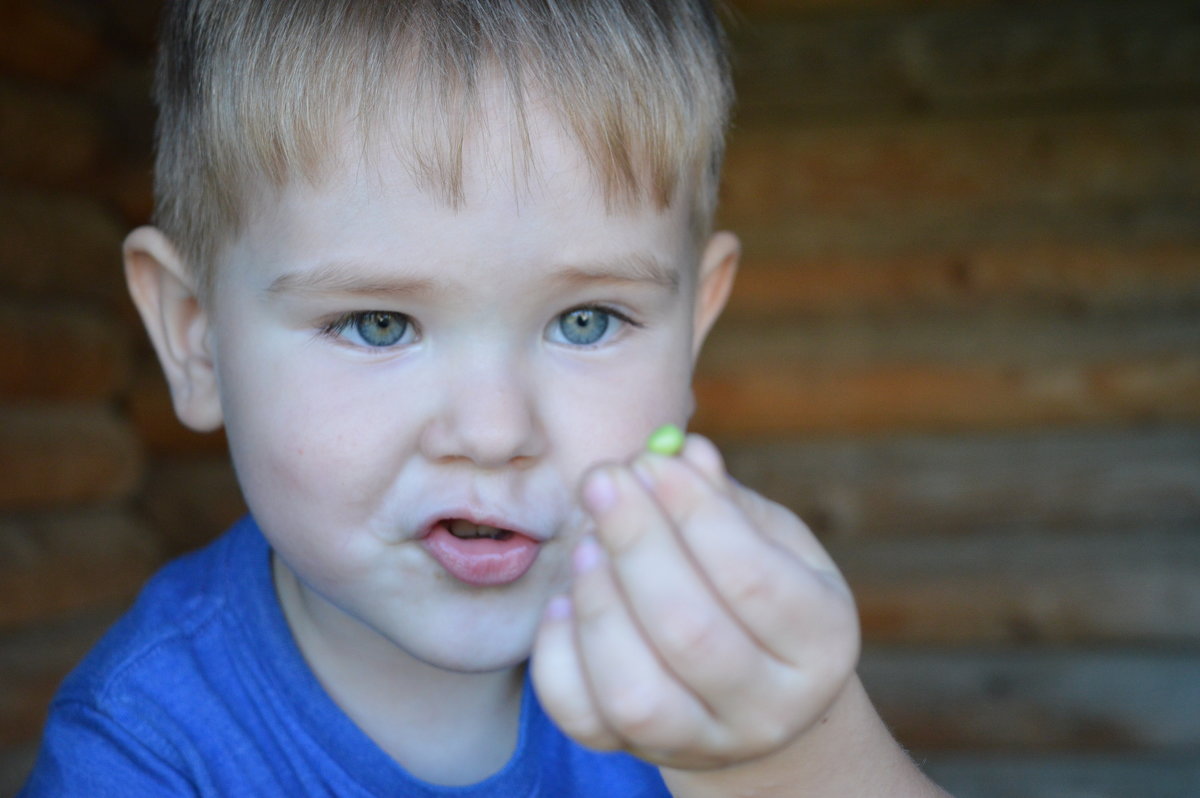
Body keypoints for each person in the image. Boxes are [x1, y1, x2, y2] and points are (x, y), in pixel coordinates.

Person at [22, 1, 949, 795]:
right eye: (379, 324)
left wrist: (794, 750)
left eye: (586, 321)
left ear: (694, 327)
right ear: (196, 339)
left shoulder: (701, 653)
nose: (496, 432)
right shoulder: (144, 750)